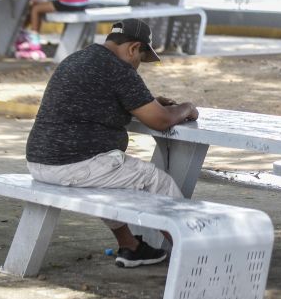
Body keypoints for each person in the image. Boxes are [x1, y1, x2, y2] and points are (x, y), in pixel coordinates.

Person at [25, 18, 199, 268]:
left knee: (109, 183)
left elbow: (98, 102)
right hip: (74, 164)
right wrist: (186, 108)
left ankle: (131, 246)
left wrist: (143, 101)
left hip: (41, 161)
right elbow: (161, 120)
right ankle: (194, 252)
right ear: (132, 48)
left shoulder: (78, 59)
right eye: (140, 57)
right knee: (157, 181)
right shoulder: (119, 69)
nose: (138, 65)